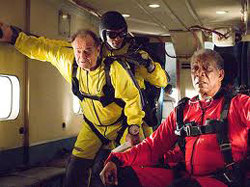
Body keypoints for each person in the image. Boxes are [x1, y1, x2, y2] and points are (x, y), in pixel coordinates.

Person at [0, 23, 146, 187]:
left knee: (116, 171)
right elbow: (44, 49)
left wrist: (134, 128)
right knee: (74, 169)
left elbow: (134, 98)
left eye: (87, 51)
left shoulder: (114, 70)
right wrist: (13, 37)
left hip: (120, 126)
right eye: (78, 51)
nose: (82, 56)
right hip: (93, 128)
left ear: (98, 49)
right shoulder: (70, 63)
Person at [100, 49, 250, 187]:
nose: (200, 74)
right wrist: (116, 159)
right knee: (121, 175)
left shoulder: (239, 104)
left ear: (220, 75)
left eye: (207, 69)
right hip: (186, 175)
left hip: (224, 179)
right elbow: (153, 147)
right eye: (195, 69)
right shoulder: (182, 109)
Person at [99, 11, 169, 137]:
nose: (117, 39)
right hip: (107, 114)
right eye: (112, 34)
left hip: (136, 112)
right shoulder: (97, 53)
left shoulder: (136, 53)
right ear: (103, 34)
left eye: (121, 34)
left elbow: (162, 81)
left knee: (145, 151)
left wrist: (150, 66)